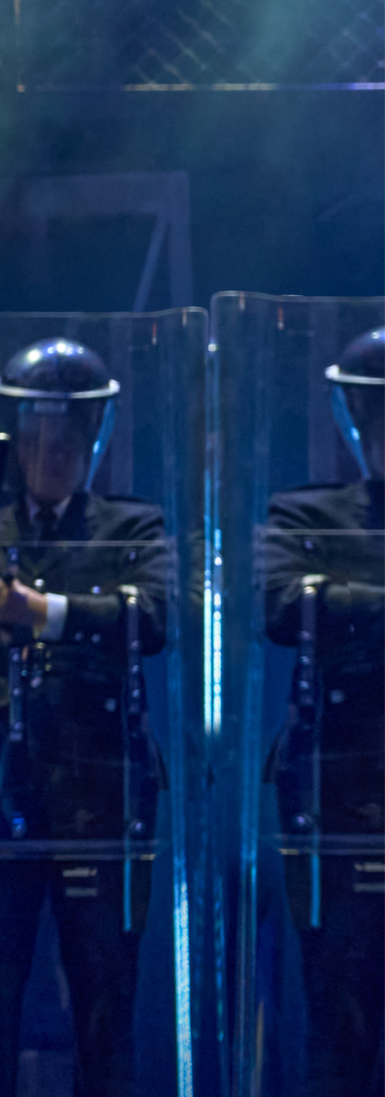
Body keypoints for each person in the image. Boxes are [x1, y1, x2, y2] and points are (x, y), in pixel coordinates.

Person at [0, 338, 173, 1097]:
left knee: (105, 1000)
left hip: (101, 791)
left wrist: (43, 611)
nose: (51, 455)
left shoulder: (131, 529)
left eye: (66, 441)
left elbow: (156, 618)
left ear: (90, 445)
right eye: (38, 439)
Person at [258, 324, 385, 1096]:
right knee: (339, 1009)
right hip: (338, 786)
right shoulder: (306, 515)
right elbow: (282, 605)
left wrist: (349, 599)